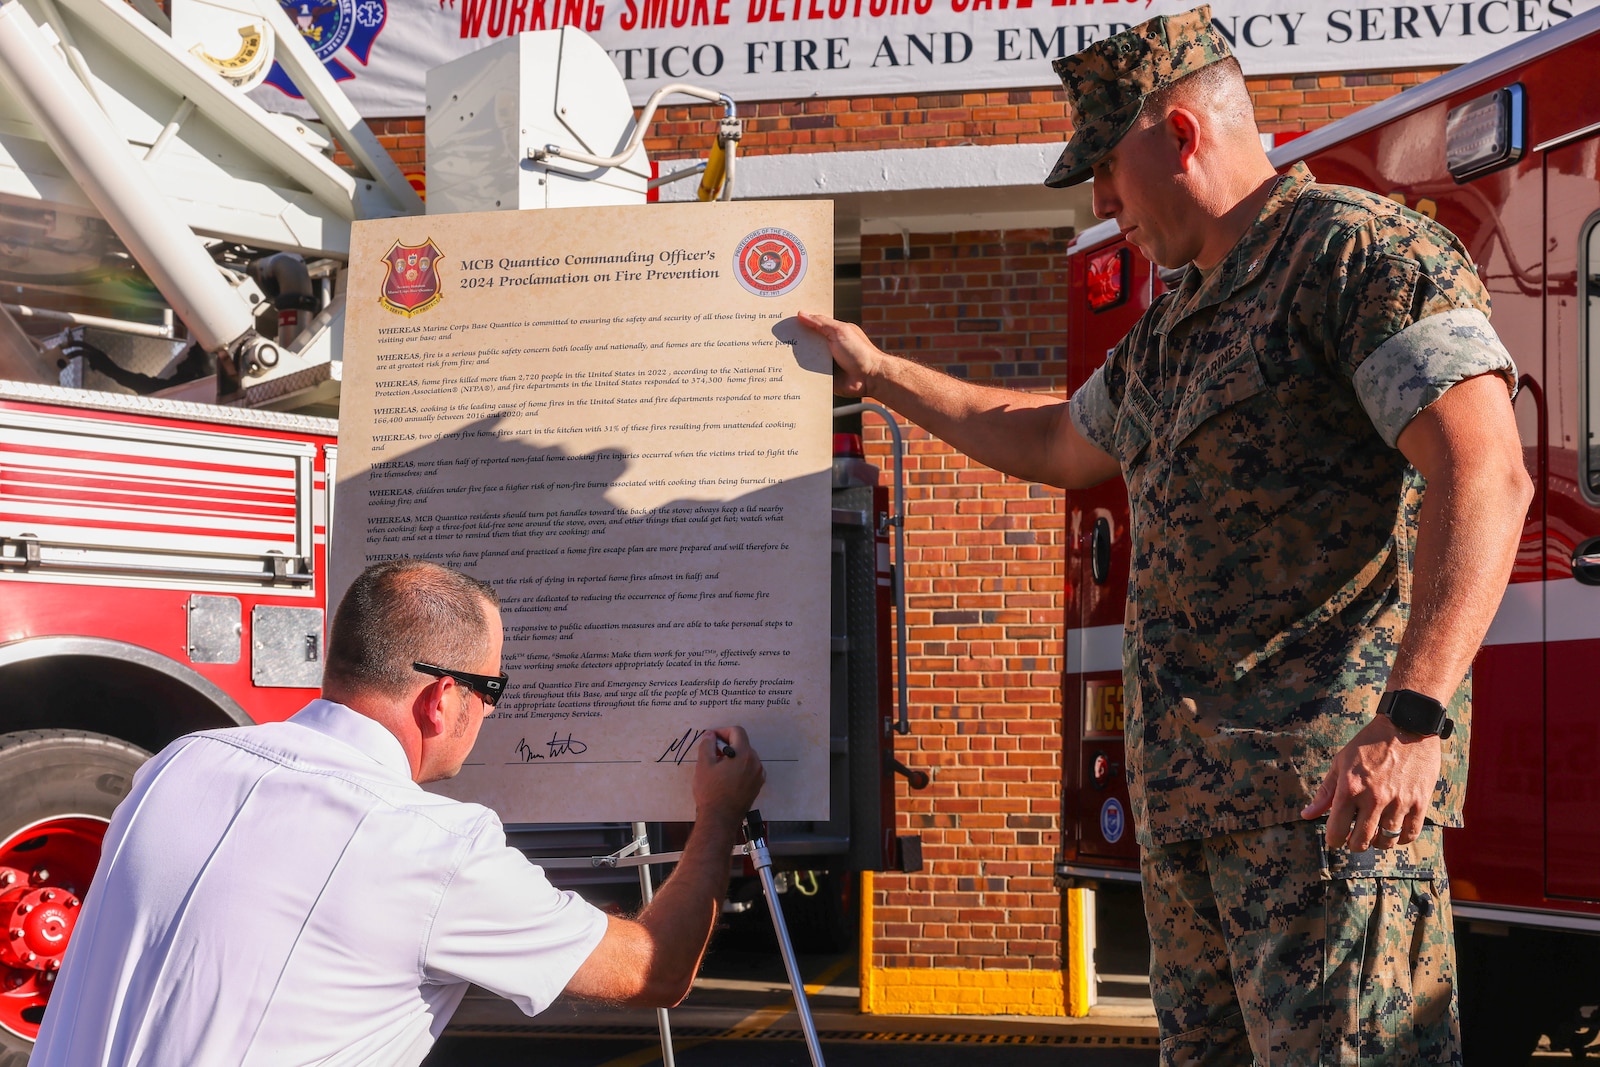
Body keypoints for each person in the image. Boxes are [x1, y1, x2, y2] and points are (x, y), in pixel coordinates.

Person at [800, 7, 1532, 1064]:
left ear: (1179, 135)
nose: (1101, 202)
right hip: (1191, 815)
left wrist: (1412, 719)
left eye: (1105, 166)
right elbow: (1054, 438)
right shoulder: (1174, 329)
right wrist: (877, 371)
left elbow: (1485, 471)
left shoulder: (1356, 255)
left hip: (1323, 809)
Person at [31, 558, 765, 1067]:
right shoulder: (431, 847)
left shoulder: (181, 762)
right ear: (442, 698)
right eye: (493, 688)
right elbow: (653, 970)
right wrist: (718, 814)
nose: (488, 710)